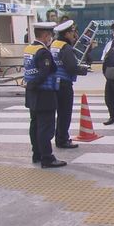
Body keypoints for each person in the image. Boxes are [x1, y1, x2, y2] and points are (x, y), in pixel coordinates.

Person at [24, 22, 67, 168]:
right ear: (45, 35)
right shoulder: (43, 52)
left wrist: (30, 86)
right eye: (50, 35)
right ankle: (47, 158)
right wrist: (34, 84)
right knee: (45, 127)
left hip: (32, 94)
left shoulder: (29, 49)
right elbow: (46, 71)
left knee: (35, 124)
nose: (51, 38)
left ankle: (37, 154)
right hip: (44, 93)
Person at [50, 20, 88, 149]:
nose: (74, 34)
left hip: (55, 82)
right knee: (65, 113)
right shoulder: (65, 48)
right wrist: (84, 70)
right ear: (66, 34)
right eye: (72, 32)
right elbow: (71, 67)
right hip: (64, 83)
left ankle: (59, 137)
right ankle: (62, 140)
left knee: (59, 112)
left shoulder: (54, 44)